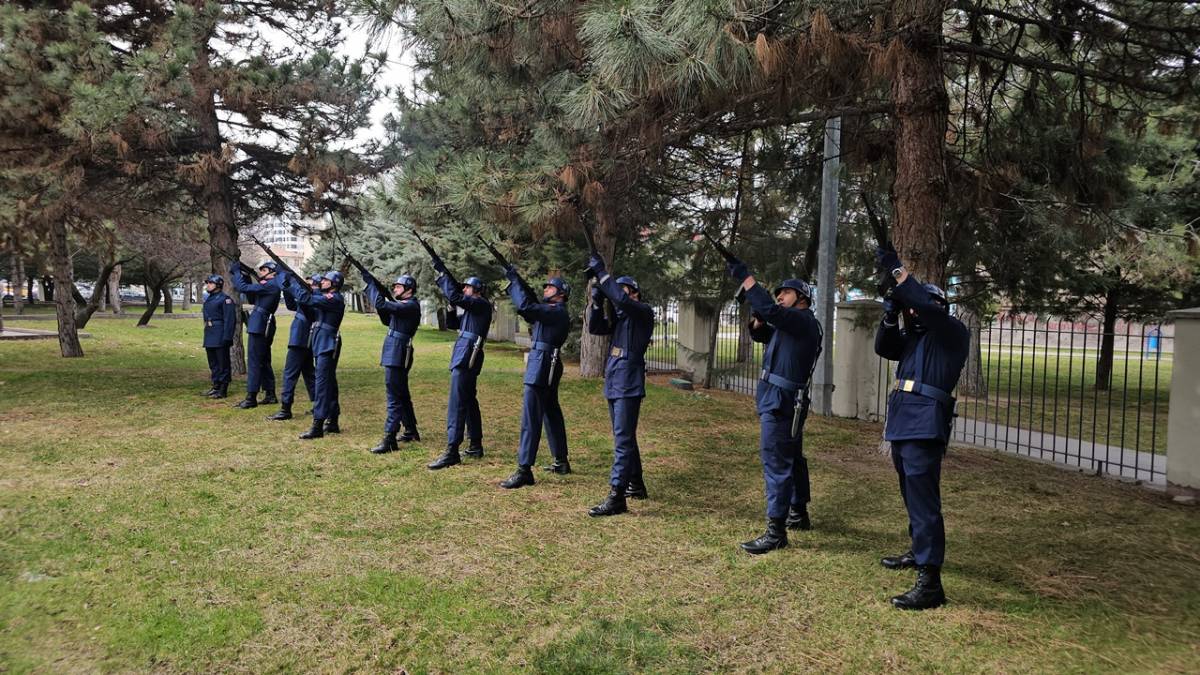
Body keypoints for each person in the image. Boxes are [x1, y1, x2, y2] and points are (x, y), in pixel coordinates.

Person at [874, 246, 969, 610]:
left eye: (916, 306)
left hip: (925, 420)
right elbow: (885, 347)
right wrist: (889, 313)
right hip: (903, 418)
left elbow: (926, 306)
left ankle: (930, 581)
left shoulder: (951, 333)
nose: (913, 312)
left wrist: (899, 275)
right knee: (910, 494)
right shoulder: (914, 339)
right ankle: (918, 550)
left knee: (925, 501)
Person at [725, 258, 823, 554]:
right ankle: (797, 513)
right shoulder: (791, 325)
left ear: (802, 299)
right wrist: (757, 316)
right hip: (781, 399)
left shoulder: (803, 321)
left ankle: (776, 531)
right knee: (792, 457)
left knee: (776, 462)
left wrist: (747, 279)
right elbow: (761, 332)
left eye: (786, 293)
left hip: (782, 401)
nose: (780, 296)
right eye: (778, 293)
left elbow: (772, 312)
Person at [584, 255, 654, 517]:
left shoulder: (642, 312)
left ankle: (617, 495)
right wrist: (596, 300)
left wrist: (602, 273)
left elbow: (621, 299)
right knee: (623, 435)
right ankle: (636, 484)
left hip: (628, 382)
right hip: (615, 380)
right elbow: (595, 328)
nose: (617, 296)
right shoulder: (621, 319)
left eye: (621, 290)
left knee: (623, 439)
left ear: (634, 294)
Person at [497, 269, 572, 489]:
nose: (546, 289)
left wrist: (513, 281)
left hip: (543, 363)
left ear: (561, 294)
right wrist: (518, 285)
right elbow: (528, 311)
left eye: (550, 287)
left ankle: (524, 469)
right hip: (545, 362)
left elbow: (525, 307)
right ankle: (561, 460)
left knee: (531, 416)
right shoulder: (550, 310)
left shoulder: (556, 310)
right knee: (550, 412)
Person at [426, 260, 492, 470]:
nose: (464, 289)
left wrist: (445, 278)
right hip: (463, 352)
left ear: (477, 291)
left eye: (468, 287)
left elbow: (456, 296)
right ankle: (475, 444)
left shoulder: (481, 303)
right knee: (468, 399)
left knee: (457, 402)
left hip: (467, 355)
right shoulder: (472, 308)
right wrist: (451, 306)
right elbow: (454, 323)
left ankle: (452, 449)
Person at [361, 271, 422, 454]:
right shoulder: (403, 305)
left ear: (408, 290)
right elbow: (387, 318)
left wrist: (372, 285)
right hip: (394, 349)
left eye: (398, 286)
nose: (395, 288)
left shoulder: (410, 305)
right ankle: (410, 430)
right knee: (401, 393)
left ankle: (390, 438)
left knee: (393, 396)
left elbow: (381, 303)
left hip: (399, 351)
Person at [284, 270, 346, 440]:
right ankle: (333, 420)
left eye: (325, 281)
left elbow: (307, 299)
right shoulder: (325, 297)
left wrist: (295, 284)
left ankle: (318, 424)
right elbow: (306, 305)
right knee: (328, 383)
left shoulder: (334, 298)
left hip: (328, 343)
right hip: (320, 342)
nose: (321, 283)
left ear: (333, 284)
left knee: (322, 384)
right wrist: (289, 285)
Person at [266, 274, 321, 421]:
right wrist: (286, 288)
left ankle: (286, 408)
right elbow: (291, 305)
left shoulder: (314, 298)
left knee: (290, 374)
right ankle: (318, 406)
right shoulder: (310, 297)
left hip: (301, 340)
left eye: (309, 283)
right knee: (309, 374)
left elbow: (303, 300)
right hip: (304, 340)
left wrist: (292, 284)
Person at [228, 260, 282, 409]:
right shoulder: (269, 286)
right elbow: (251, 296)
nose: (261, 273)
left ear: (272, 273)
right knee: (263, 360)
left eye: (264, 271)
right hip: (262, 323)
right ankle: (270, 394)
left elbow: (242, 288)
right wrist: (245, 276)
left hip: (260, 325)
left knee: (254, 361)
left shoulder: (271, 285)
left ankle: (251, 397)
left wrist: (237, 273)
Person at [200, 274, 237, 399]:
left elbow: (230, 320)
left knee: (223, 363)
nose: (208, 285)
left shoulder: (225, 300)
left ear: (218, 285)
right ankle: (215, 386)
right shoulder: (210, 298)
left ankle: (223, 389)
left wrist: (227, 337)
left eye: (211, 283)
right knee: (213, 363)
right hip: (210, 333)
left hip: (221, 334)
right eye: (208, 283)